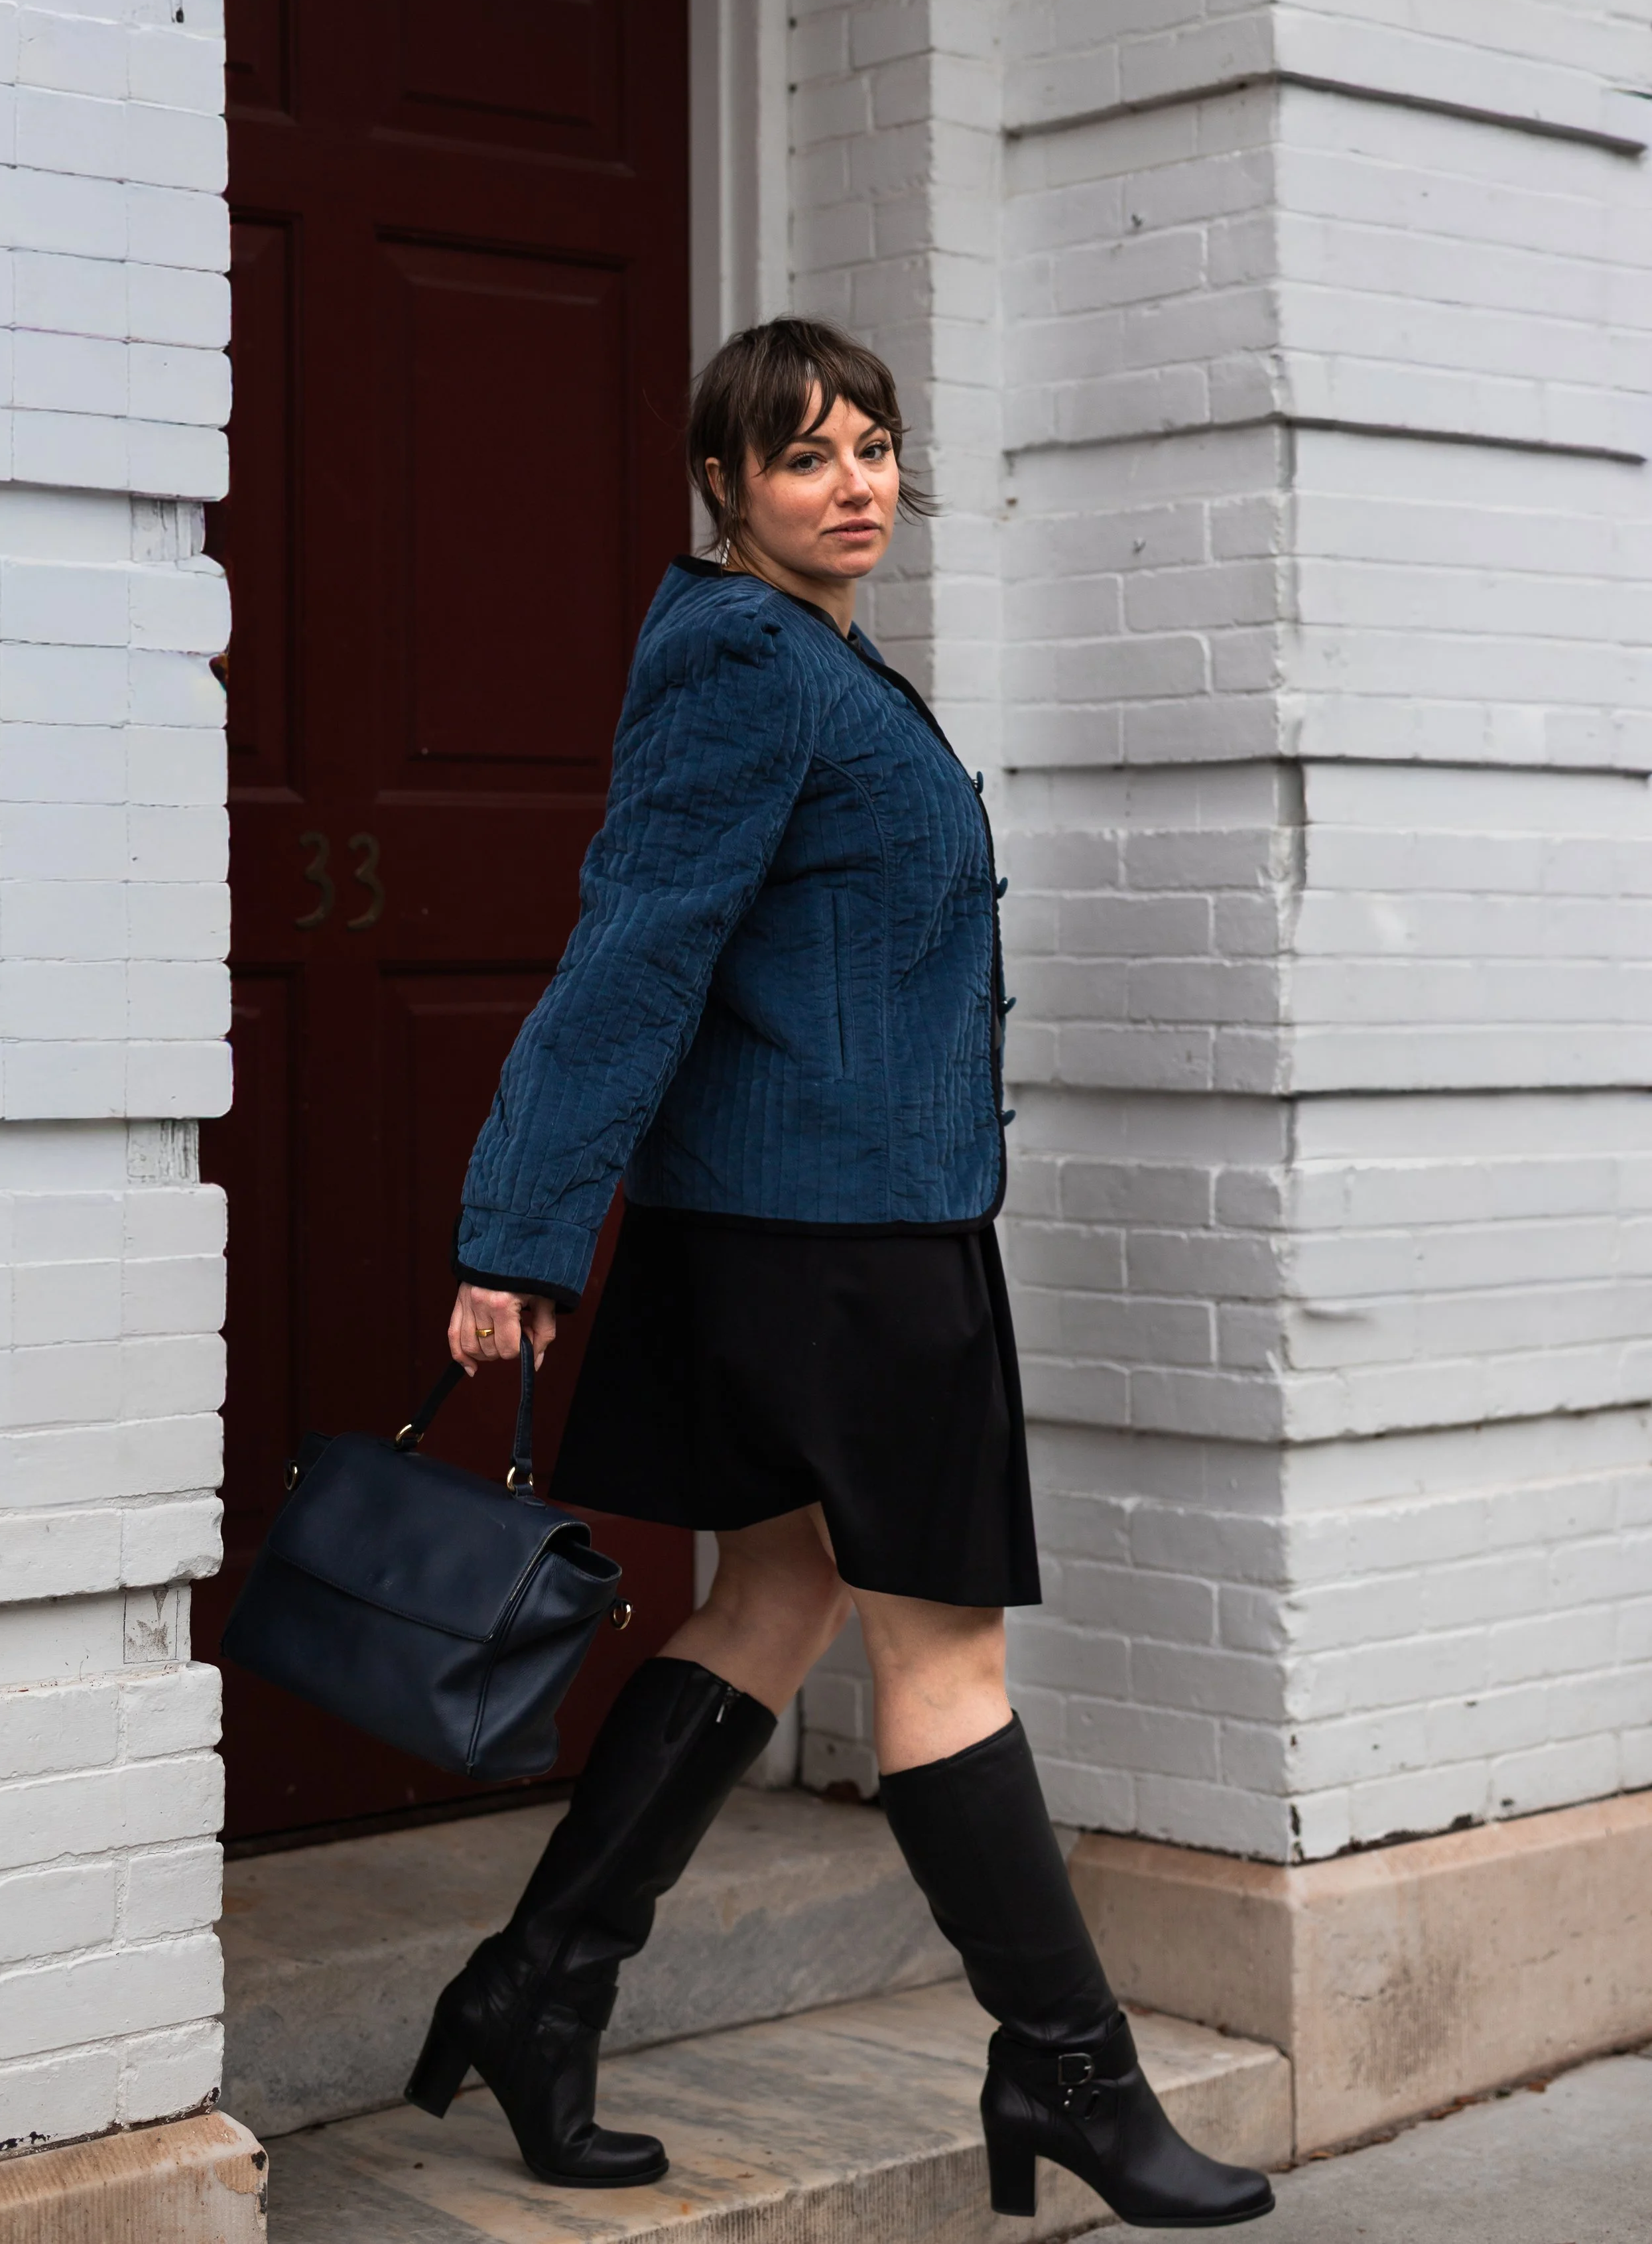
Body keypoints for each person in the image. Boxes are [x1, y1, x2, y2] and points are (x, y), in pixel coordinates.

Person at [404, 318, 1274, 2228]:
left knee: (772, 1596)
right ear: (728, 488)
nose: (856, 481)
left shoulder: (804, 654)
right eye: (804, 456)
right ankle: (1064, 2071)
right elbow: (635, 946)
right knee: (941, 1649)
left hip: (806, 1229)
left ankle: (533, 1989)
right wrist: (517, 1233)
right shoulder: (742, 659)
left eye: (875, 446)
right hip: (846, 1251)